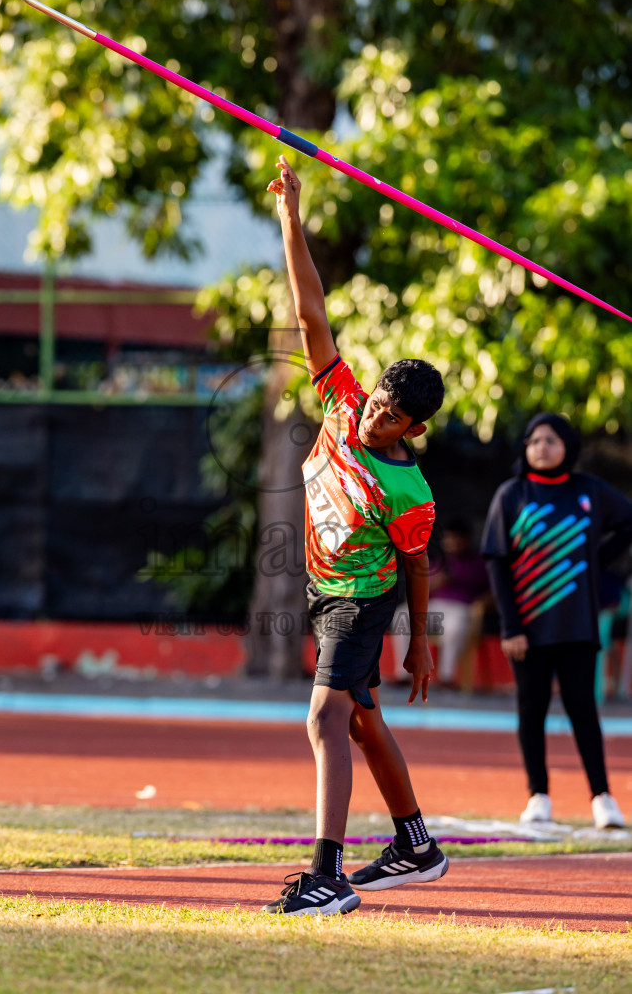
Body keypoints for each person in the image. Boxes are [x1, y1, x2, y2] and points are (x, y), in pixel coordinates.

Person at [262, 155, 448, 916]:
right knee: (364, 723)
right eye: (374, 404)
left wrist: (419, 640)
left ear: (415, 428)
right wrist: (290, 217)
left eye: (390, 418)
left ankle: (327, 875)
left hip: (359, 600)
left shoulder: (409, 490)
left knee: (324, 717)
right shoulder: (340, 402)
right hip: (320, 590)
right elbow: (311, 315)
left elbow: (416, 566)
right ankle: (414, 845)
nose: (373, 418)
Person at [481, 412, 632, 829]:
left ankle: (603, 799)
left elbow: (627, 522)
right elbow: (497, 563)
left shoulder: (588, 491)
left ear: (568, 447)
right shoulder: (512, 494)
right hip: (526, 628)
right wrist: (510, 627)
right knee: (532, 708)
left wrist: (599, 567)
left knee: (583, 707)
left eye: (550, 440)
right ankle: (538, 796)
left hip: (577, 624)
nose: (541, 448)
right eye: (533, 441)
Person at [392, 520, 489, 688]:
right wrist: (437, 582)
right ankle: (404, 674)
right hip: (434, 609)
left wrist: (481, 603)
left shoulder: (480, 563)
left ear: (466, 539)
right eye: (448, 538)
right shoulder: (439, 562)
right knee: (403, 615)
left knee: (454, 626)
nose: (452, 542)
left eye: (456, 538)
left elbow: (491, 591)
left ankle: (446, 677)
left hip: (461, 610)